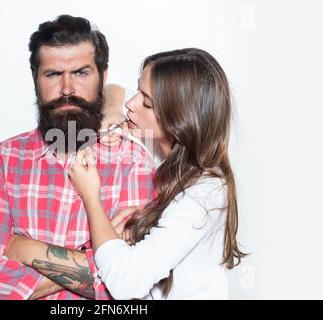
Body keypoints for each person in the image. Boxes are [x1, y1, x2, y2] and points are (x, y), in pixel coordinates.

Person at [0, 15, 155, 300]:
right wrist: (94, 256)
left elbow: (130, 285)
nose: (67, 89)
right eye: (53, 74)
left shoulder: (132, 163)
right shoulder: (0, 163)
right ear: (35, 79)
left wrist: (26, 250)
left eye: (81, 73)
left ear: (103, 77)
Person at [67, 48, 247, 299]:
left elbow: (127, 282)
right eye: (138, 90)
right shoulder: (162, 145)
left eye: (147, 102)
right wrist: (111, 113)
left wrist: (90, 197)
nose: (131, 104)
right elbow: (114, 90)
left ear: (179, 120)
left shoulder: (205, 194)